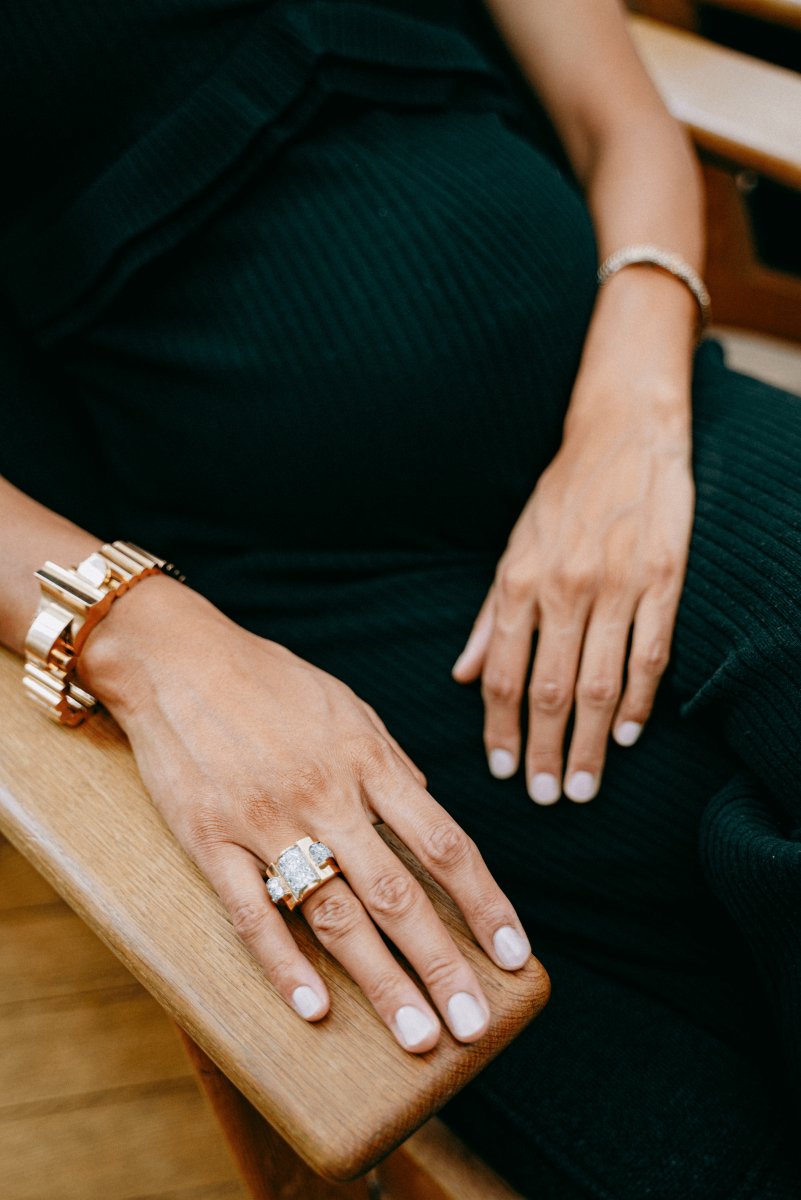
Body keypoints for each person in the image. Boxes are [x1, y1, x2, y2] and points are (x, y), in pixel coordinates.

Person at [2, 1, 800, 1195]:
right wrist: (139, 636)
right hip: (283, 605)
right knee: (644, 1054)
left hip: (639, 420)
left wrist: (636, 399)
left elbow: (618, 116)